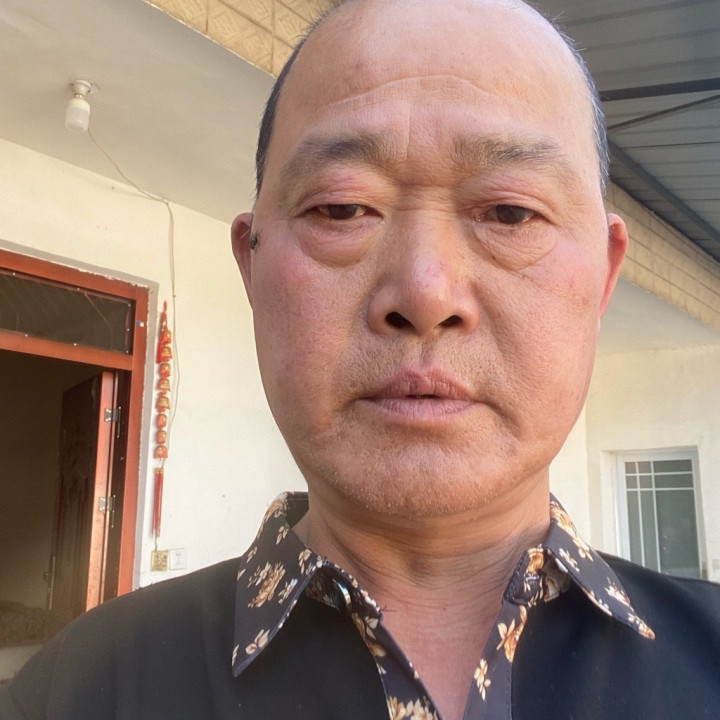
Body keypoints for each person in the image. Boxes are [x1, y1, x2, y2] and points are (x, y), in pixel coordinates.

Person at [2, 0, 719, 718]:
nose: (426, 293)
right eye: (341, 208)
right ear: (252, 270)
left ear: (603, 275)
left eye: (510, 212)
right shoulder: (77, 691)